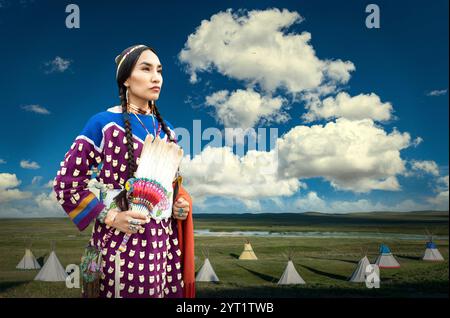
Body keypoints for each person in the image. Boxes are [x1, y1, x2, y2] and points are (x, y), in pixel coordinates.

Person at [53, 44, 195, 298]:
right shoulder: (104, 124)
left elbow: (171, 188)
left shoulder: (169, 131)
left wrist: (178, 206)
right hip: (118, 247)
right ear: (127, 79)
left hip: (163, 250)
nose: (156, 77)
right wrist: (110, 216)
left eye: (160, 71)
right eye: (146, 68)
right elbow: (67, 182)